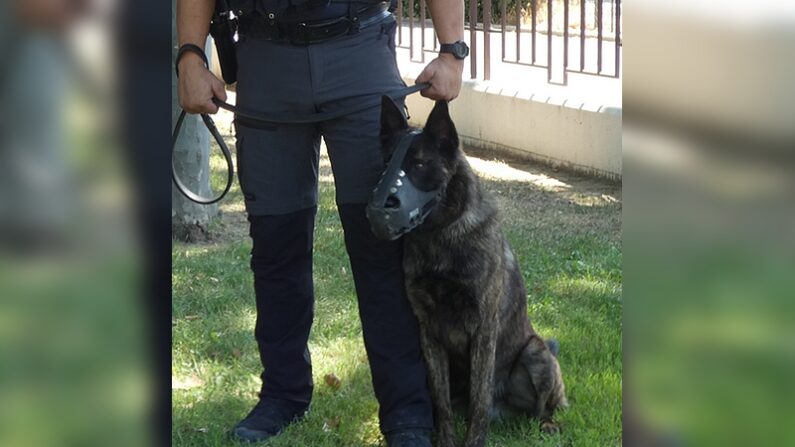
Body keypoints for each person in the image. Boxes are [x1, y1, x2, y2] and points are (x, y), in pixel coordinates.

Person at [176, 1, 466, 445]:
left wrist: (452, 50)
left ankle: (408, 412)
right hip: (267, 58)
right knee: (276, 243)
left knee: (382, 245)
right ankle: (283, 394)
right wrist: (191, 56)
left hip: (359, 51)